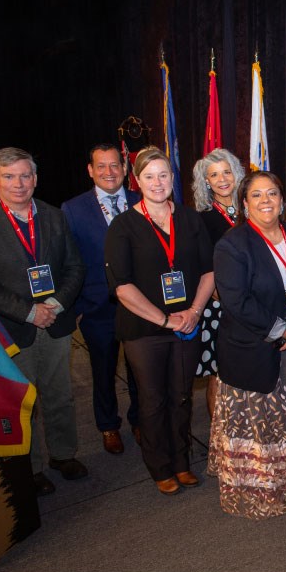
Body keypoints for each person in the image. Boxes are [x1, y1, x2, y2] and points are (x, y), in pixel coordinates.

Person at [0, 147, 86, 497]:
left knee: (60, 395)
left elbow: (75, 267)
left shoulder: (54, 216)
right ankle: (31, 467)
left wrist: (56, 304)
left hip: (56, 322)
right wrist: (30, 311)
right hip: (13, 329)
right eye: (10, 176)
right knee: (22, 401)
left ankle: (63, 455)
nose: (19, 183)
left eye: (25, 175)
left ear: (35, 179)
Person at [104, 147, 215, 495]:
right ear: (136, 181)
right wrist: (166, 320)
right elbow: (122, 288)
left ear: (172, 178)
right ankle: (160, 466)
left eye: (163, 175)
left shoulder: (190, 219)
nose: (157, 182)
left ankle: (181, 461)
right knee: (153, 399)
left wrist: (194, 312)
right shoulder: (123, 226)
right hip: (145, 330)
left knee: (181, 396)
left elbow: (209, 271)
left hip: (188, 322)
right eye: (149, 176)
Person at [210, 171, 286, 518]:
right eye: (257, 195)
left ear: (282, 200)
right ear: (244, 203)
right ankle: (258, 490)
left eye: (272, 193)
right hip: (255, 350)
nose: (266, 200)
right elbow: (237, 302)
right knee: (260, 428)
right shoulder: (233, 244)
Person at [61, 143, 140, 454]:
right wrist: (77, 306)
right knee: (103, 371)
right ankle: (108, 426)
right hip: (97, 307)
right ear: (90, 170)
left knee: (138, 368)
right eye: (101, 166)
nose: (109, 172)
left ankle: (138, 419)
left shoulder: (141, 200)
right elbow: (69, 260)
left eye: (115, 165)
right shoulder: (73, 208)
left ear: (124, 169)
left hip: (138, 306)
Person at [191, 148, 246, 430]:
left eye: (227, 171)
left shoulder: (253, 207)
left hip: (251, 301)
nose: (222, 179)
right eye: (214, 175)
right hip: (217, 303)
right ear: (206, 182)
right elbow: (201, 263)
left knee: (249, 367)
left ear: (236, 173)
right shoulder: (201, 218)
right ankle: (219, 435)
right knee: (218, 371)